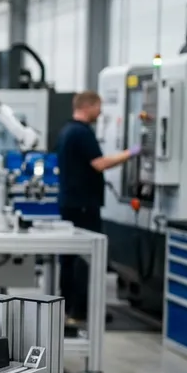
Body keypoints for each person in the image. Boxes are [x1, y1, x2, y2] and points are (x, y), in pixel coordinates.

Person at [56, 90, 139, 324]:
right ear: (89, 106)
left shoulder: (66, 131)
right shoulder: (82, 133)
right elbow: (100, 164)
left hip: (71, 203)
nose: (101, 113)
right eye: (99, 107)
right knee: (85, 258)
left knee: (71, 259)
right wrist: (131, 153)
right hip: (83, 205)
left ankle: (70, 307)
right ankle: (81, 310)